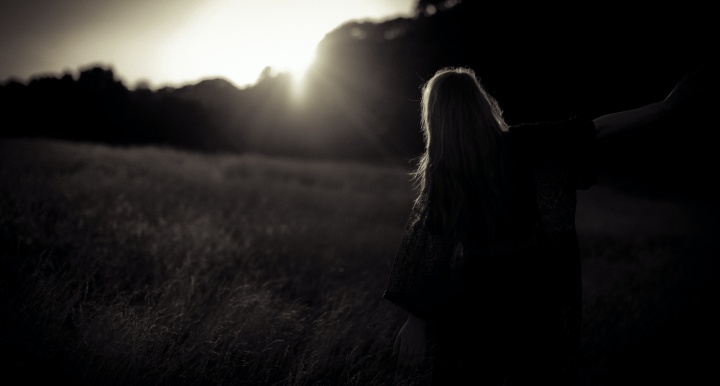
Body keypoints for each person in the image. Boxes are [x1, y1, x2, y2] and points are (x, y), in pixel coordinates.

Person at [382, 66, 703, 385]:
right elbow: (597, 128)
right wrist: (664, 107)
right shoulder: (516, 145)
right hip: (529, 291)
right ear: (480, 103)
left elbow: (430, 251)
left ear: (435, 118)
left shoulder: (446, 170)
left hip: (477, 300)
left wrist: (416, 320)